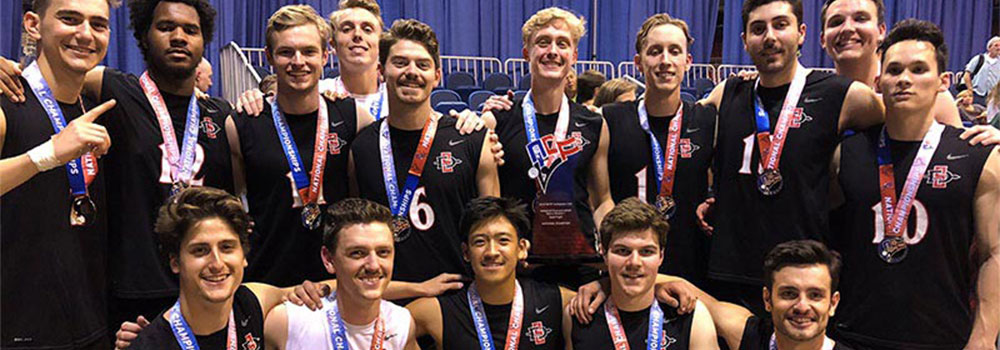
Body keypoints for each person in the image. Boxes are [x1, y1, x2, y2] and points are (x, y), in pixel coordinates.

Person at [696, 0, 884, 315]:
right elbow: (677, 129)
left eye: (780, 25)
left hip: (801, 279)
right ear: (744, 41)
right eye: (758, 29)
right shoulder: (727, 92)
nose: (769, 37)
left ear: (801, 33)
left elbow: (911, 121)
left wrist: (982, 134)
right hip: (730, 273)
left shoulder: (840, 94)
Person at [830, 19, 1000, 350]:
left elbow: (994, 253)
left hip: (943, 337)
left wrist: (983, 337)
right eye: (894, 70)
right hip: (852, 335)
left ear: (943, 81)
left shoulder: (979, 156)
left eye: (919, 69)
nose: (905, 79)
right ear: (878, 82)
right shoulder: (845, 155)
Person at [225, 4, 377, 287]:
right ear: (269, 57)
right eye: (286, 52)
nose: (298, 62)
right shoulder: (243, 124)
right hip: (267, 284)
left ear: (324, 56)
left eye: (308, 51)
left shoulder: (353, 117)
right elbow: (231, 206)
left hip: (337, 285)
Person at [0, 0, 117, 348]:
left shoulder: (97, 106)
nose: (85, 34)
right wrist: (46, 155)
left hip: (89, 324)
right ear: (34, 25)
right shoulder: (8, 101)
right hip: (15, 328)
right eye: (70, 19)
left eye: (98, 24)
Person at [350, 18, 500, 289]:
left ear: (437, 76)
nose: (411, 72)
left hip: (458, 298)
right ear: (382, 71)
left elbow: (492, 229)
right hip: (385, 299)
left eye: (422, 65)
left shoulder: (471, 139)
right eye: (400, 63)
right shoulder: (362, 147)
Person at [484, 7, 615, 289]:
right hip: (520, 265)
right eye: (543, 42)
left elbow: (602, 199)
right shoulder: (499, 119)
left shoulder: (593, 124)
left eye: (562, 43)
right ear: (526, 52)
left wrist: (609, 245)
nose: (552, 51)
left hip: (581, 266)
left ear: (574, 56)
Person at [601, 13, 717, 287]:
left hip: (693, 271)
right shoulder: (609, 119)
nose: (665, 61)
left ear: (688, 61)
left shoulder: (708, 119)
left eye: (674, 51)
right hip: (630, 271)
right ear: (639, 63)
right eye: (655, 52)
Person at [406, 196, 575, 349]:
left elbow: (598, 305)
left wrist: (600, 284)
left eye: (503, 240)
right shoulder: (438, 312)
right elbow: (383, 320)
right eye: (480, 242)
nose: (492, 252)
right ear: (466, 252)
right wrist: (416, 289)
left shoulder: (556, 302)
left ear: (521, 249)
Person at [127, 187, 283, 349]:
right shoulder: (150, 345)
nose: (217, 264)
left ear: (243, 255)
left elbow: (299, 293)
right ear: (175, 261)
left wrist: (307, 291)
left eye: (227, 247)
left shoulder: (250, 302)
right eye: (200, 250)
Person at [565, 198, 719, 350]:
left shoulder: (691, 317)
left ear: (661, 256)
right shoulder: (578, 317)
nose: (634, 262)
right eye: (622, 251)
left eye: (646, 252)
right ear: (604, 254)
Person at [664, 240, 853, 350]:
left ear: (833, 303)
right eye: (789, 294)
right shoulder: (748, 336)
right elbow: (649, 278)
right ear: (767, 299)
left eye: (815, 295)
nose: (802, 306)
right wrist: (661, 287)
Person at [963, 36, 1000, 106]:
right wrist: (970, 89)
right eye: (996, 45)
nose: (998, 48)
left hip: (994, 96)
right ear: (989, 47)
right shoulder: (979, 59)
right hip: (978, 94)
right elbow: (966, 75)